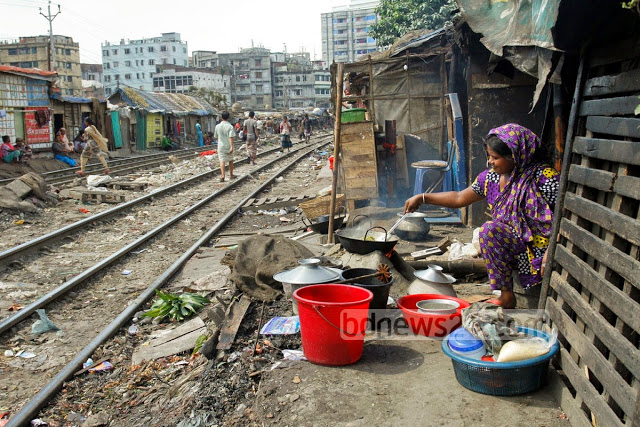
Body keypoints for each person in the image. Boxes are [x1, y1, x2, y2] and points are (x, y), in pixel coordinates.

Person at [403, 124, 559, 309]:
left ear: (516, 155)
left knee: (488, 229)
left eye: (495, 157)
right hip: (514, 245)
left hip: (541, 249)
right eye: (489, 156)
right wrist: (423, 198)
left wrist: (552, 250)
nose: (490, 162)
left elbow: (562, 218)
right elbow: (460, 197)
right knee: (488, 231)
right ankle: (506, 296)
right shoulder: (491, 178)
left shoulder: (544, 177)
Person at [214, 111, 236, 182]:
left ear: (221, 117)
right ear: (228, 117)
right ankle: (231, 175)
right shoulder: (230, 126)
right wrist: (231, 147)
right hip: (228, 145)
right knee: (230, 160)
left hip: (221, 146)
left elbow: (216, 136)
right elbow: (231, 137)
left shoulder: (217, 126)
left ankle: (223, 175)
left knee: (222, 161)